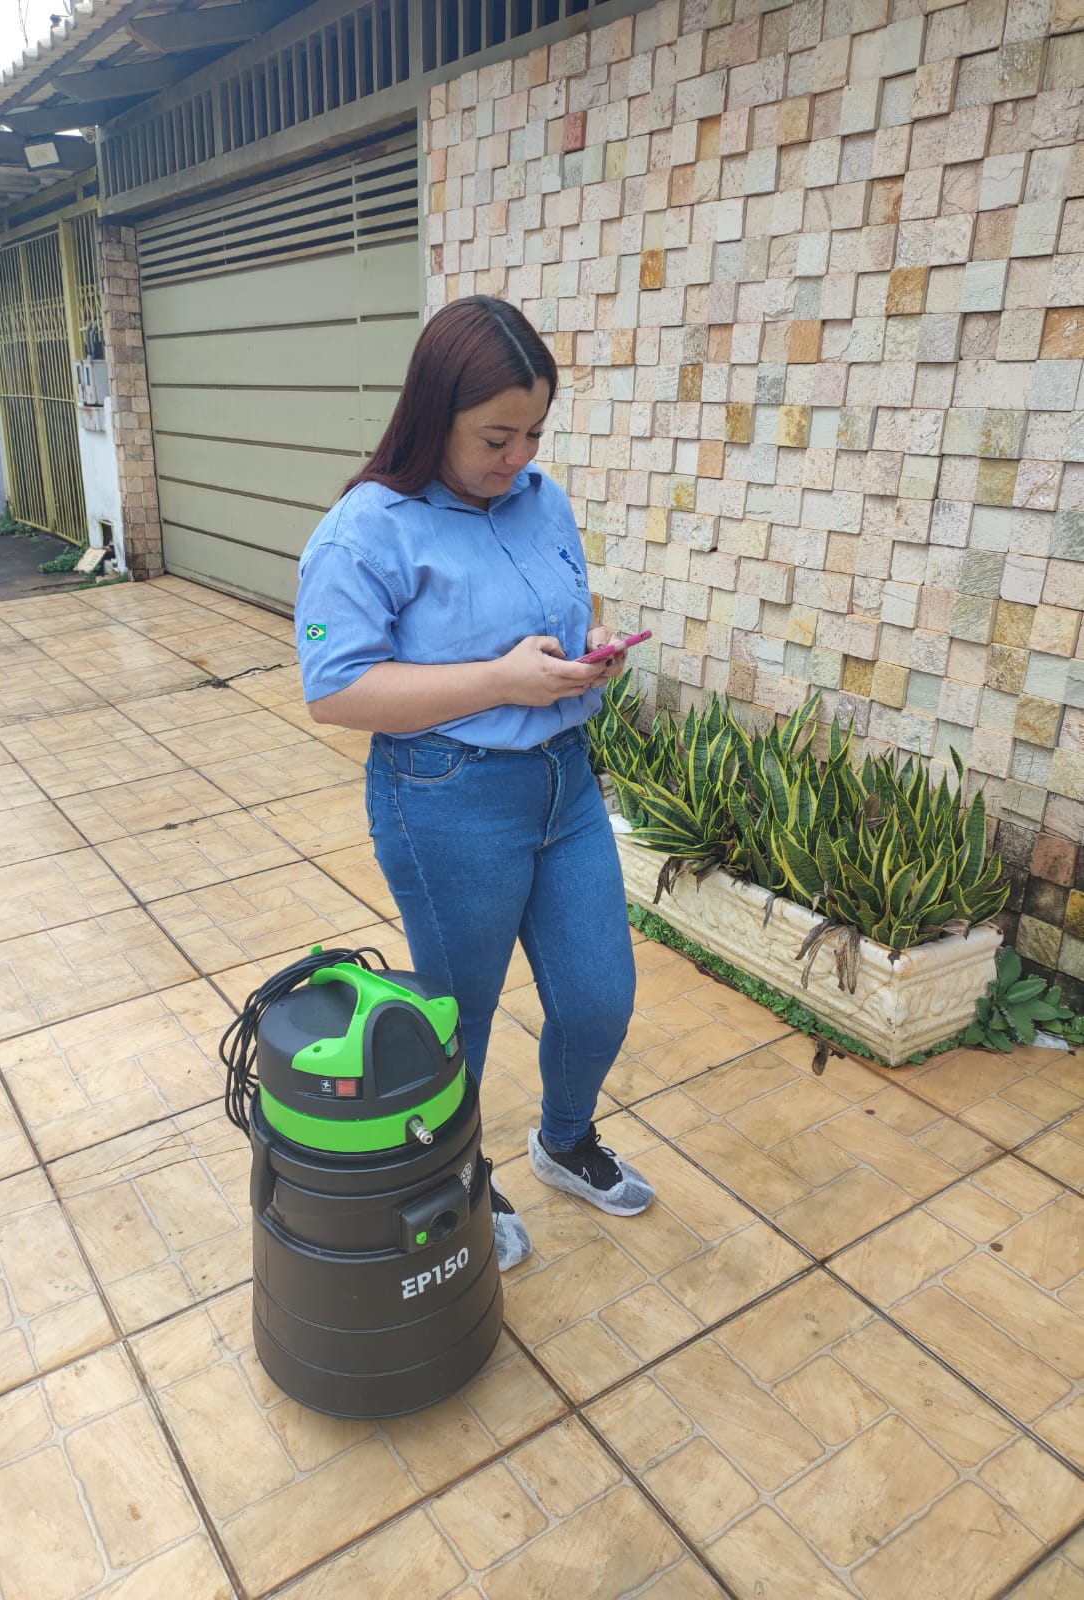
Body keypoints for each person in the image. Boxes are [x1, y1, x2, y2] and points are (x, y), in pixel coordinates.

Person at [295, 295, 653, 1271]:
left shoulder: (541, 499)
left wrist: (585, 652)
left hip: (564, 785)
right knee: (462, 1019)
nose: (519, 457)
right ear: (433, 415)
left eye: (534, 433)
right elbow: (336, 690)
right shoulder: (365, 532)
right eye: (497, 437)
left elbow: (562, 603)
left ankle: (564, 1141)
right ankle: (459, 1175)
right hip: (447, 799)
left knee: (598, 998)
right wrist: (500, 681)